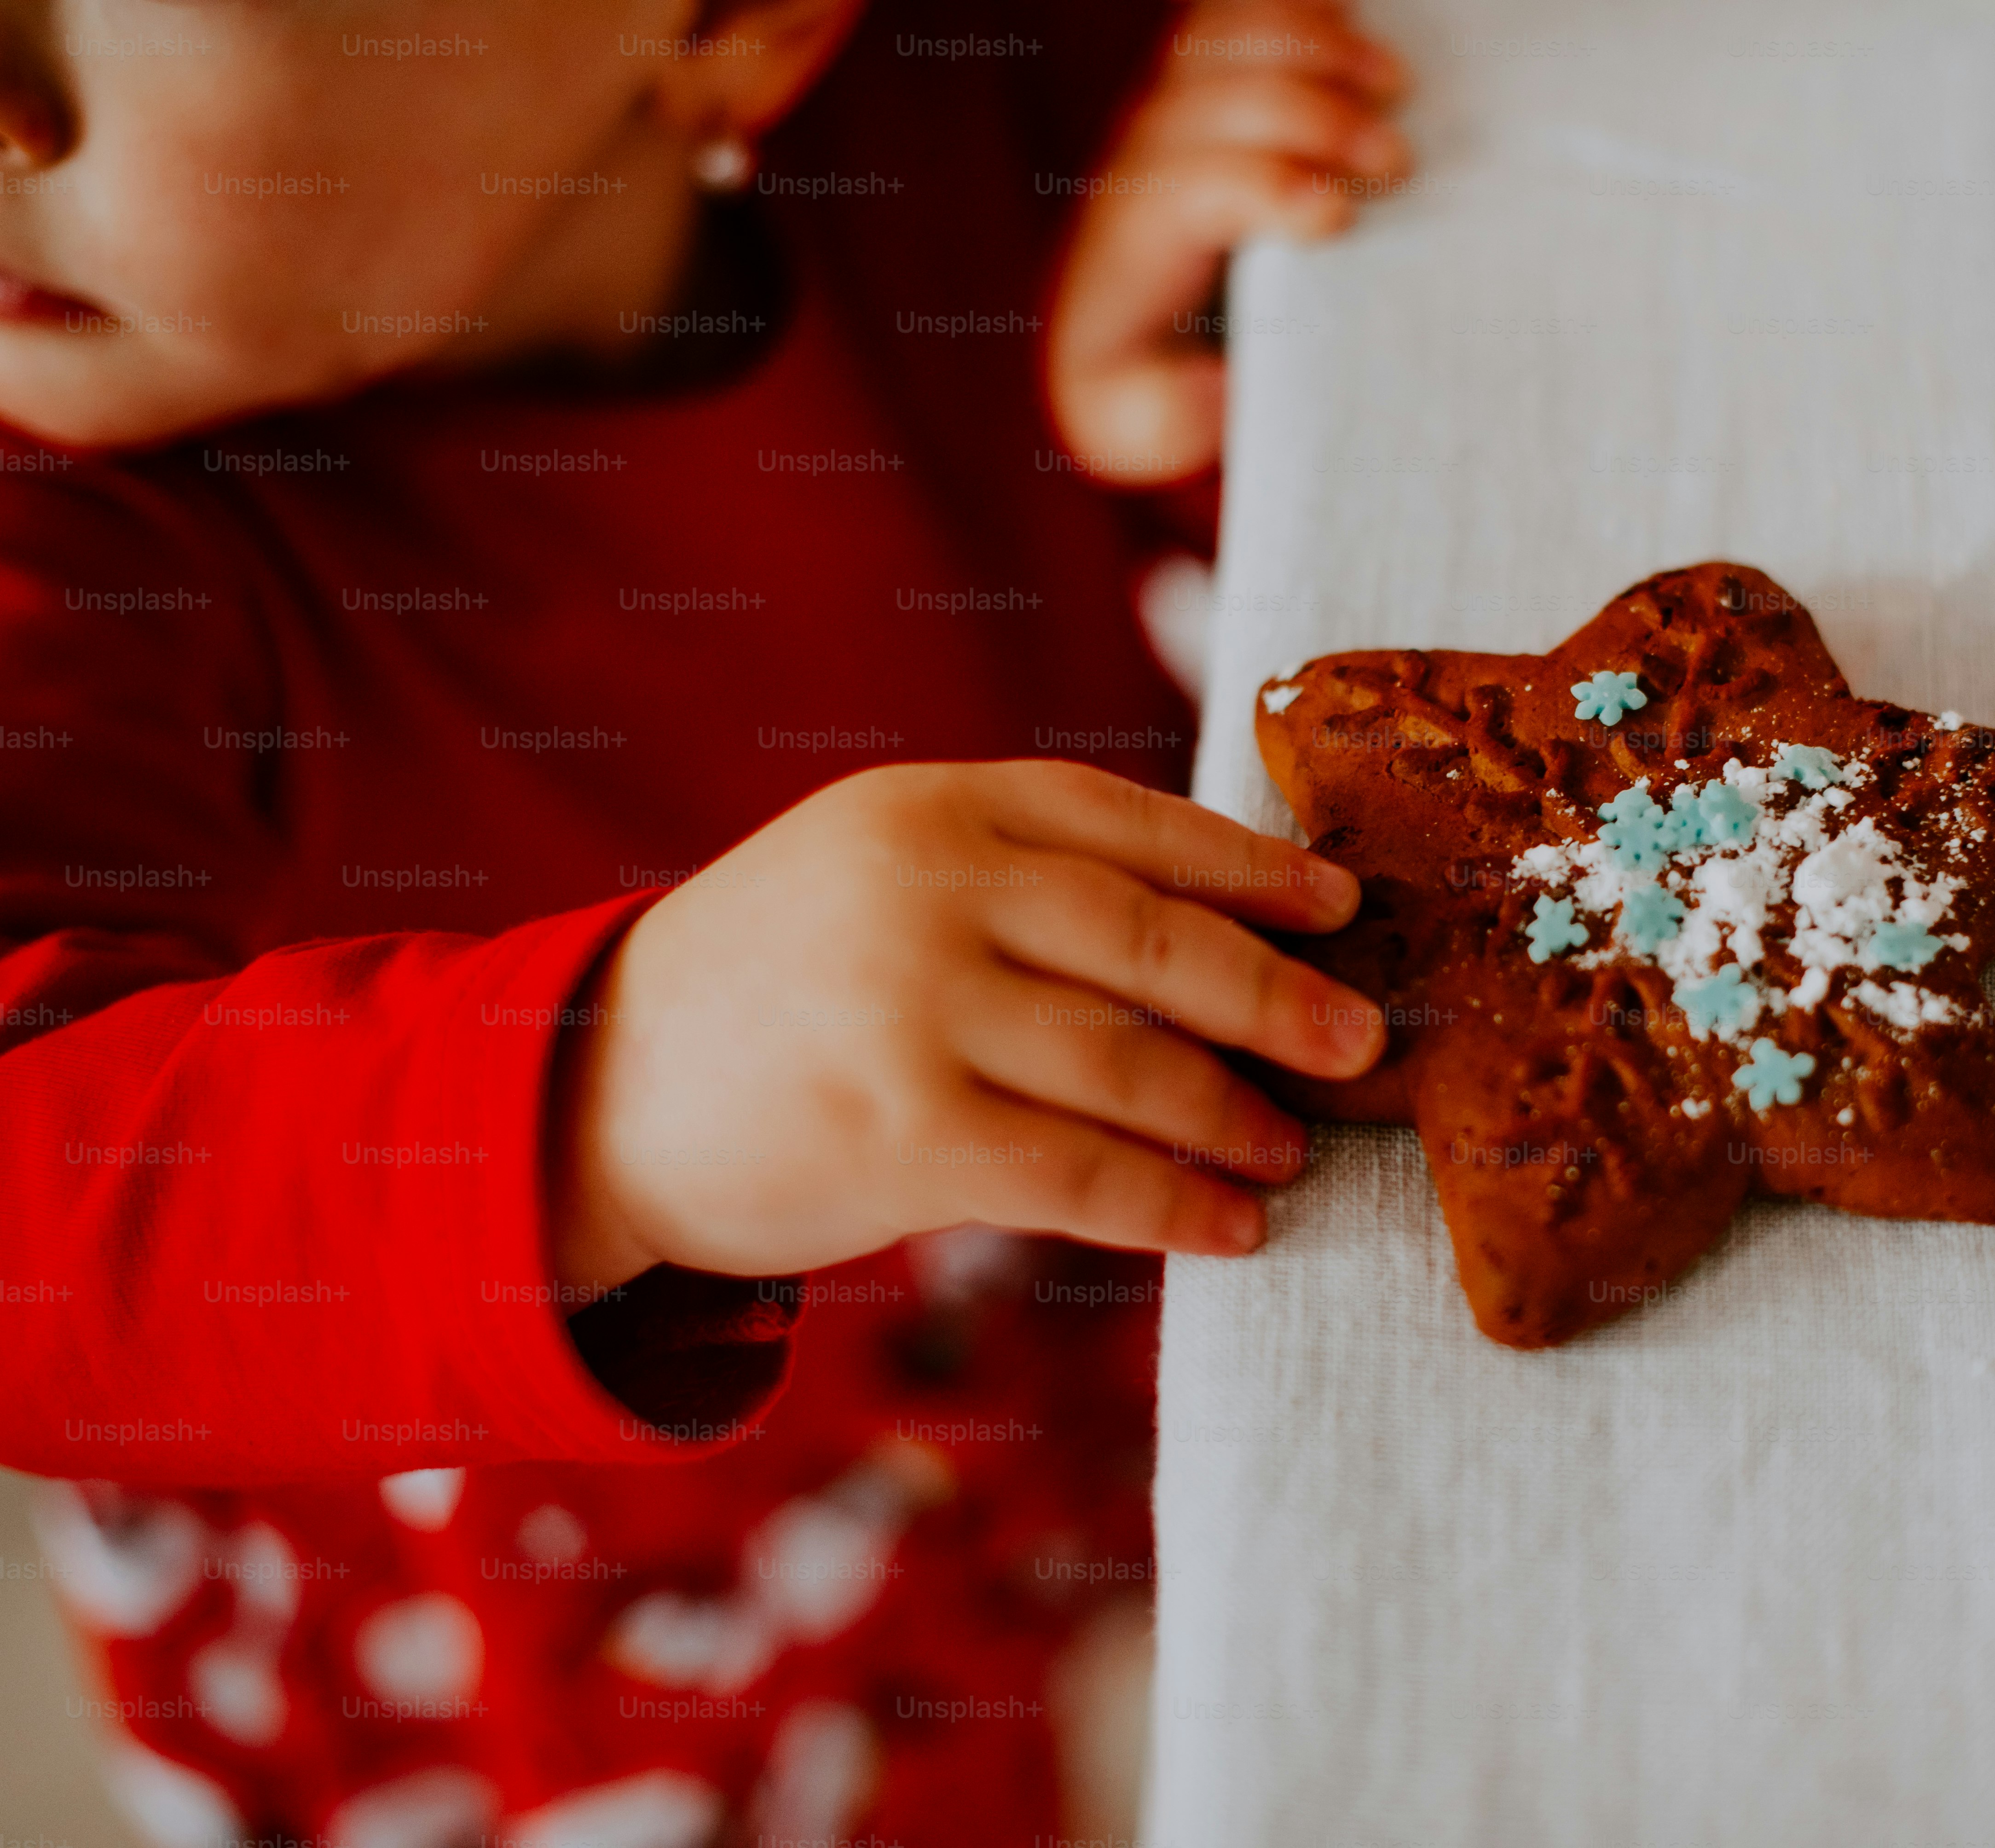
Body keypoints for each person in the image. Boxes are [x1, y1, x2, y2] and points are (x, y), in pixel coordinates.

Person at [0, 0, 1407, 1841]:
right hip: (582, 1556)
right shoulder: (58, 534)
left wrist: (1209, 402)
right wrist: (617, 1096)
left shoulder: (1005, 80)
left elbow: (1354, 713)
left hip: (1029, 1325)